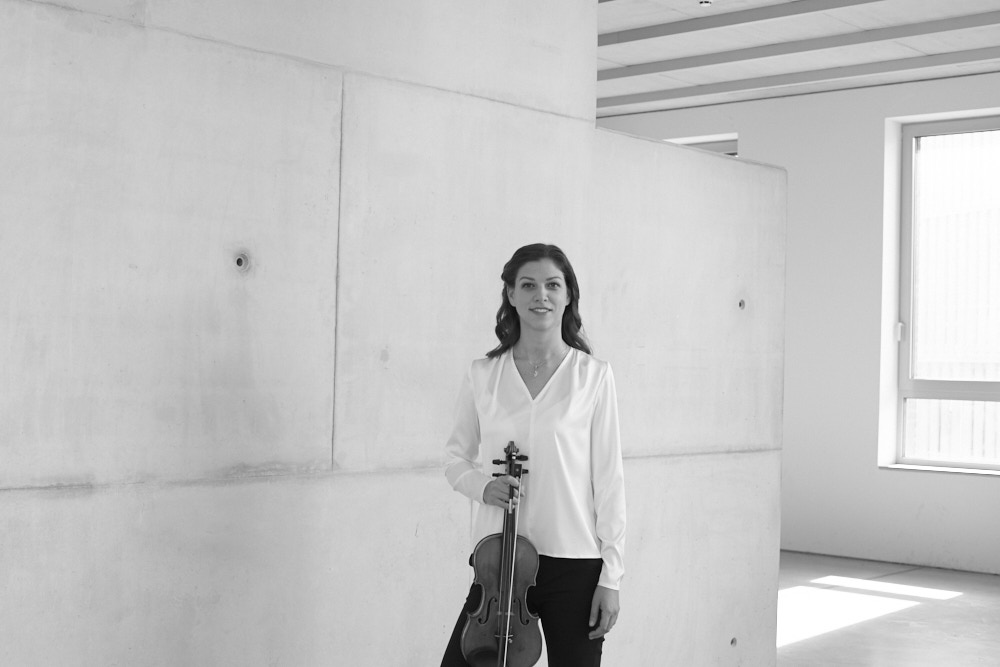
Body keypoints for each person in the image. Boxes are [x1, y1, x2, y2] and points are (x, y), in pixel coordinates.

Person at [440, 243, 626, 667]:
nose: (540, 295)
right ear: (510, 293)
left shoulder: (593, 377)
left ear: (568, 294)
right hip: (498, 561)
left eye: (552, 285)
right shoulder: (483, 375)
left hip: (574, 563)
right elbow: (454, 459)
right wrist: (483, 488)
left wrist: (611, 577)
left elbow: (609, 481)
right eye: (528, 285)